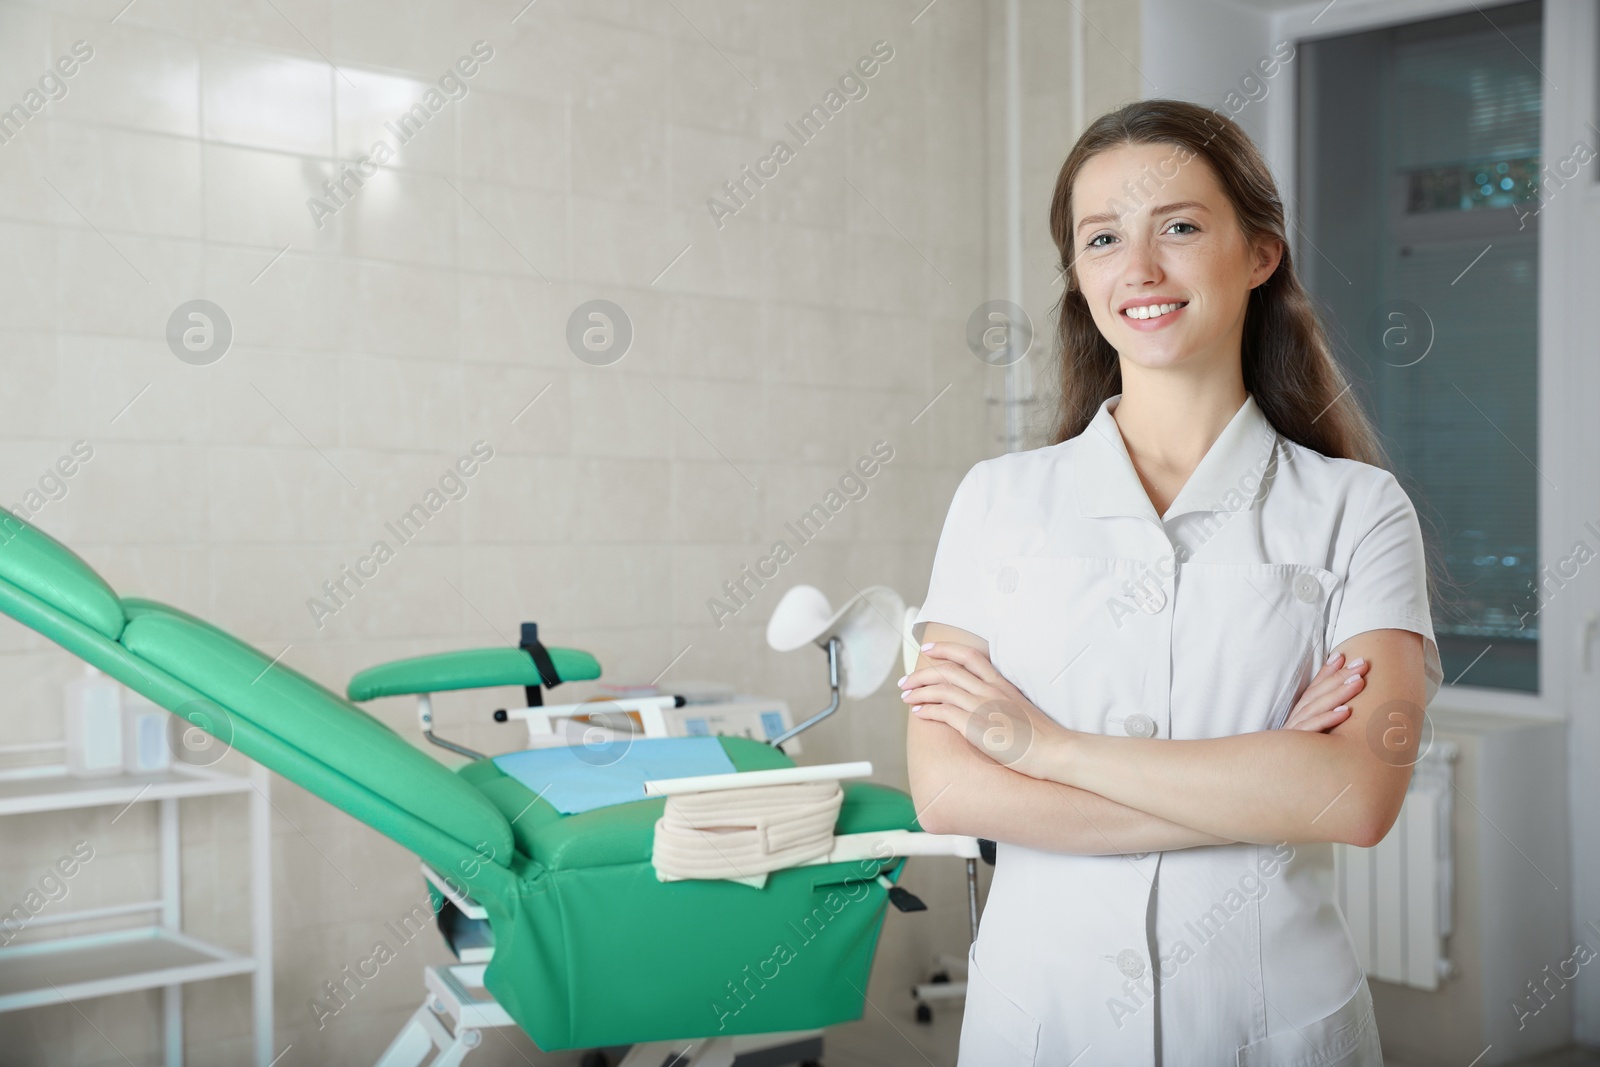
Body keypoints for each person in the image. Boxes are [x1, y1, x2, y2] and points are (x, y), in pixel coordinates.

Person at [901, 98, 1444, 1066]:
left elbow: (1357, 797)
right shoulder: (996, 500)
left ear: (1260, 252)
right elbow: (946, 788)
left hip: (1268, 1019)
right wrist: (1271, 771)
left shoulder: (1357, 508)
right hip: (1043, 1013)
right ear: (1078, 273)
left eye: (1180, 227)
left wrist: (1043, 746)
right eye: (1102, 237)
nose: (1139, 270)